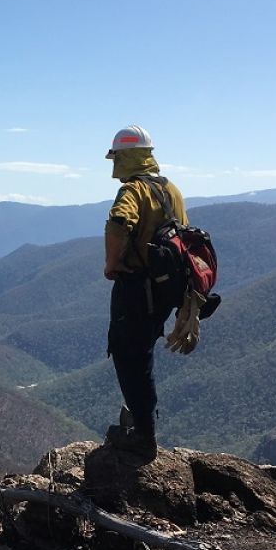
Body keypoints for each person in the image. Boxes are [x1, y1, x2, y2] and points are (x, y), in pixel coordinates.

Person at [102, 125, 189, 460]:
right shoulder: (172, 191)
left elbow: (119, 223)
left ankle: (143, 435)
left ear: (125, 157)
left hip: (138, 288)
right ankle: (141, 421)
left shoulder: (134, 191)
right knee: (142, 355)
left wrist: (112, 263)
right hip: (166, 292)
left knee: (128, 354)